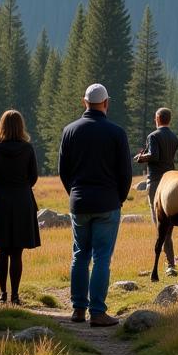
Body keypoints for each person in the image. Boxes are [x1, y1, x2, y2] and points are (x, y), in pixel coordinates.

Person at [58, 82, 131, 326]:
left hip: (79, 202)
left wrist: (74, 193)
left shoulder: (69, 131)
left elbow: (63, 171)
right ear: (106, 103)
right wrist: (118, 198)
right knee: (101, 257)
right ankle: (97, 312)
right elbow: (125, 174)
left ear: (84, 102)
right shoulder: (116, 133)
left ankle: (78, 309)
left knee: (80, 254)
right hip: (107, 202)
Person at [0, 109, 41, 304]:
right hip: (22, 200)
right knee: (17, 252)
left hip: (2, 201)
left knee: (2, 251)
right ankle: (16, 295)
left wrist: (1, 189)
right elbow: (33, 176)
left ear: (1, 126)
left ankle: (2, 294)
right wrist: (22, 188)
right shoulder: (27, 149)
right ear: (20, 126)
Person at [135, 107, 178, 277]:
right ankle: (170, 261)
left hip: (156, 182)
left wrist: (141, 158)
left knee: (160, 223)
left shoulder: (153, 136)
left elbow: (154, 155)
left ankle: (169, 264)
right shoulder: (174, 137)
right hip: (172, 180)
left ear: (158, 118)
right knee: (170, 223)